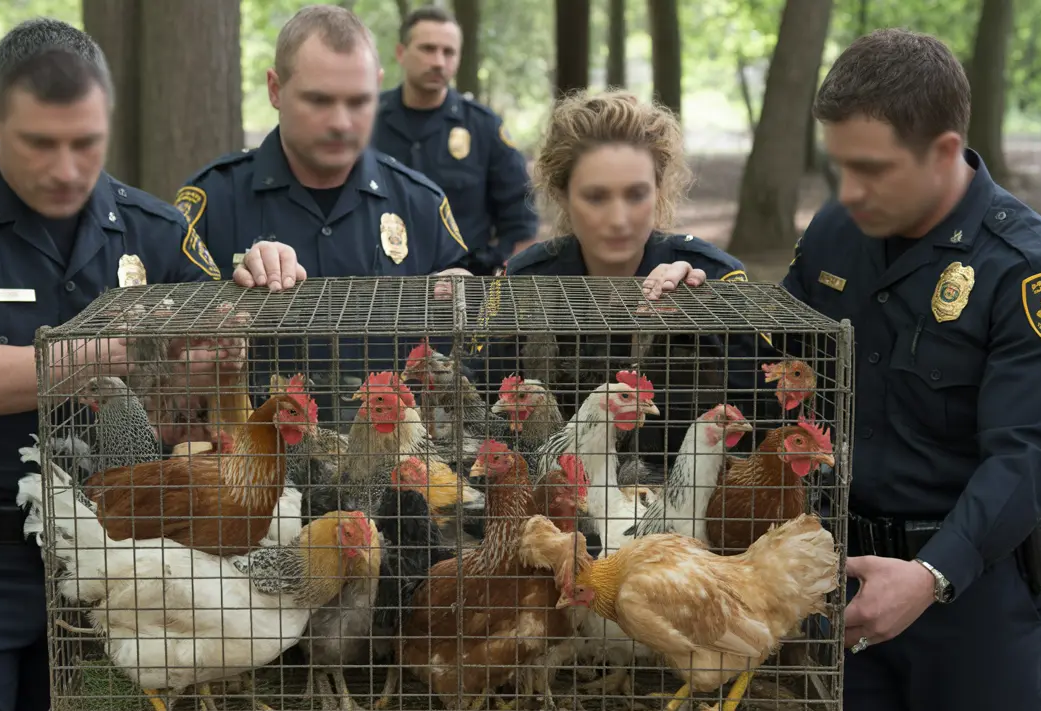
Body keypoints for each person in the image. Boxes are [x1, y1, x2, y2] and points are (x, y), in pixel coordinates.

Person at [0, 19, 237, 711]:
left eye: (86, 142)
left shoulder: (156, 233)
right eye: (40, 143)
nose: (66, 168)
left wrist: (245, 308)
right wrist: (122, 348)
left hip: (118, 564)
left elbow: (205, 378)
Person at [784, 29, 1041, 711]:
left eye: (872, 169)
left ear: (944, 151)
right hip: (848, 584)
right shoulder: (838, 231)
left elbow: (1028, 459)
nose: (850, 192)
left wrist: (930, 577)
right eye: (839, 167)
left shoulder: (1035, 277)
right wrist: (697, 293)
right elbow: (779, 363)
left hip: (979, 600)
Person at [176, 5, 472, 419]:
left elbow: (473, 358)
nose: (341, 122)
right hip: (256, 469)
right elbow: (163, 363)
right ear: (275, 89)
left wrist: (462, 300)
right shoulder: (212, 202)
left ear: (379, 87)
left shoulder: (421, 204)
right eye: (319, 100)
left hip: (393, 469)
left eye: (358, 101)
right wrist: (231, 298)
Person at [476, 89, 768, 468]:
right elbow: (478, 404)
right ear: (562, 196)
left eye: (636, 195)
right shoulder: (522, 280)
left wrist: (703, 310)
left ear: (660, 189)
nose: (618, 219)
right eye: (596, 197)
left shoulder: (715, 276)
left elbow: (770, 410)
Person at [372, 5, 539, 276]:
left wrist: (494, 272)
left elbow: (520, 219)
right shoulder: (367, 120)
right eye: (427, 49)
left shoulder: (484, 128)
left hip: (463, 287)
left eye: (448, 52)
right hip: (380, 286)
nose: (439, 61)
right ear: (401, 53)